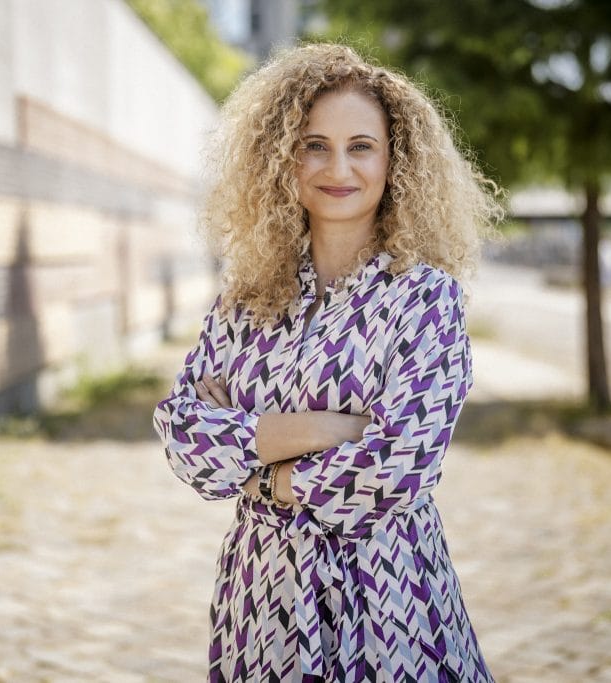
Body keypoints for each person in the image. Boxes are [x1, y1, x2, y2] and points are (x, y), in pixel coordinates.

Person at [153, 43, 504, 682]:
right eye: (314, 144)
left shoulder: (426, 297)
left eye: (361, 146)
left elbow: (396, 468)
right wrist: (329, 429)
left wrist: (260, 469)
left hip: (387, 603)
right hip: (262, 604)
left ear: (396, 160)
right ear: (282, 156)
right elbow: (182, 436)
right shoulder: (247, 296)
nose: (337, 166)